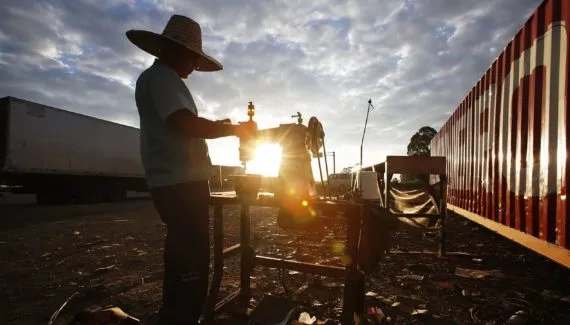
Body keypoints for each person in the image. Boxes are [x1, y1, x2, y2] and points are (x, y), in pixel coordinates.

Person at [126, 14, 252, 325]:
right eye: (193, 59)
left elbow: (183, 125)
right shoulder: (162, 78)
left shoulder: (160, 80)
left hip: (176, 182)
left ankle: (177, 314)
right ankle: (181, 317)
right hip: (180, 184)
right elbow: (184, 123)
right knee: (191, 263)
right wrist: (235, 130)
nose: (194, 67)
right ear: (175, 51)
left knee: (185, 257)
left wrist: (222, 127)